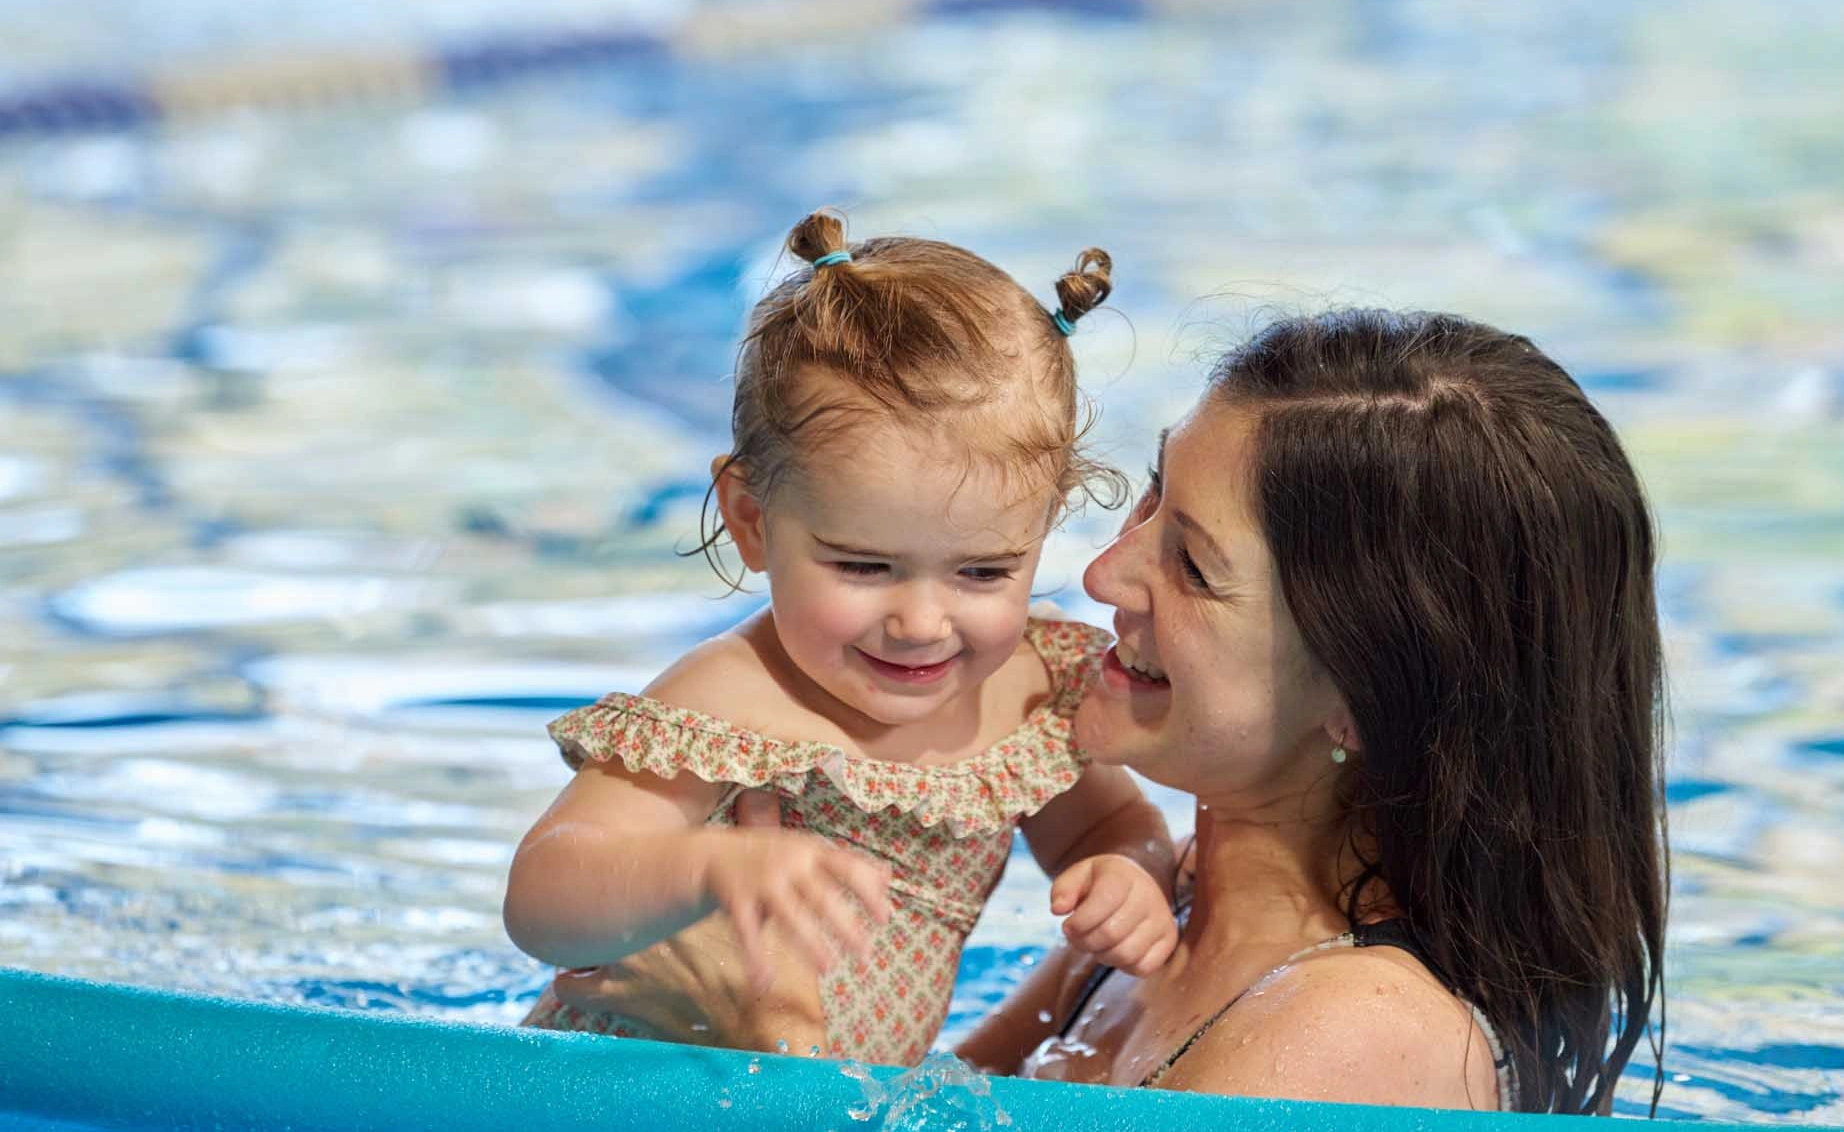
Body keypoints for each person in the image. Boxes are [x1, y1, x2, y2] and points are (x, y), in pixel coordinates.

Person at [549, 308, 1670, 1116]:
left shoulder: (1350, 1038)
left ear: (1360, 699)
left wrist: (765, 1050)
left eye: (1187, 564)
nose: (1100, 575)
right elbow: (909, 1107)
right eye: (1148, 497)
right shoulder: (1158, 909)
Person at [504, 211, 1180, 1068]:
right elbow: (541, 898)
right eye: (864, 566)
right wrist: (703, 871)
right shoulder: (728, 705)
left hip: (820, 1095)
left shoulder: (1028, 692)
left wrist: (1128, 874)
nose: (921, 622)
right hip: (616, 1096)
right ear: (752, 520)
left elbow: (1111, 823)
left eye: (983, 572)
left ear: (1043, 529)